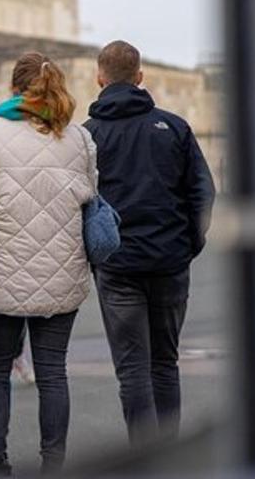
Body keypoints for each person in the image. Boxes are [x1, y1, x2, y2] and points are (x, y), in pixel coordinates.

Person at [0, 55, 97, 477]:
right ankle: (53, 467)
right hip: (62, 271)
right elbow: (90, 192)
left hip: (0, 271)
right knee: (53, 372)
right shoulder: (78, 139)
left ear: (14, 86)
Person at [84, 40, 215, 445]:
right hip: (170, 261)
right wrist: (189, 244)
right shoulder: (173, 127)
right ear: (140, 77)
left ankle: (145, 457)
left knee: (132, 370)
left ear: (99, 78)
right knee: (165, 363)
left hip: (118, 265)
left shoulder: (87, 137)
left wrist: (96, 255)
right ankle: (170, 452)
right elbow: (203, 193)